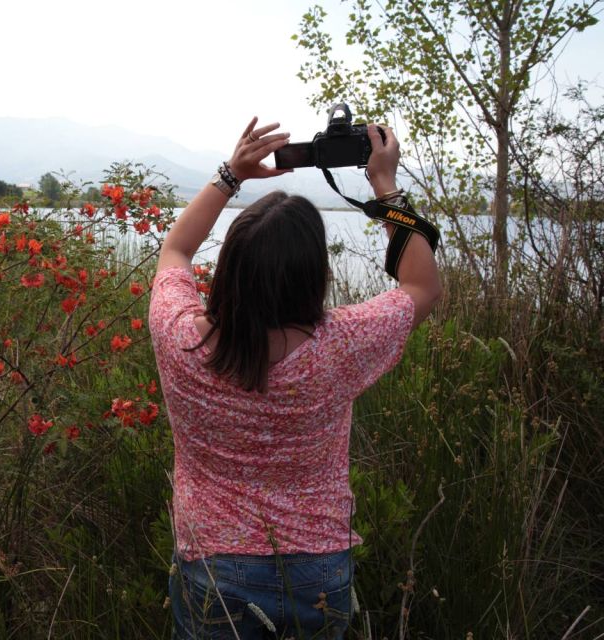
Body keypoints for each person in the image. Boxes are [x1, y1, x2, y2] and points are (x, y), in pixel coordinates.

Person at [149, 118, 441, 639]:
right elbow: (420, 283)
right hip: (317, 571)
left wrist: (229, 176)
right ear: (315, 277)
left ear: (230, 268)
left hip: (213, 566)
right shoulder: (340, 345)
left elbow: (174, 252)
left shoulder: (182, 341)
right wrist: (385, 185)